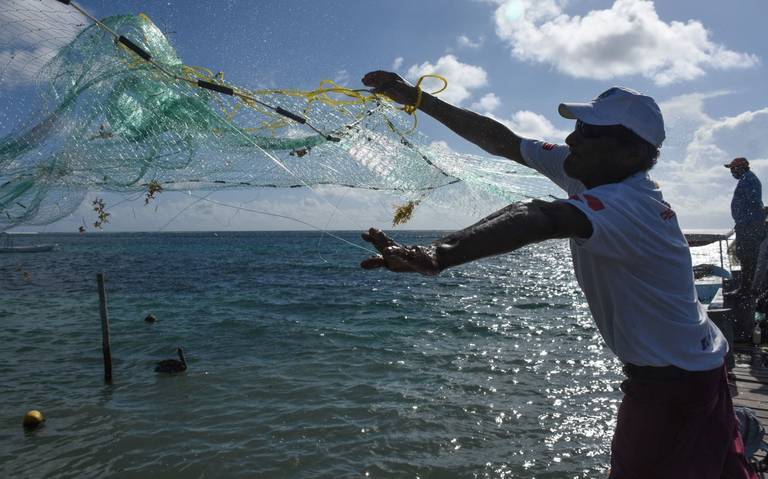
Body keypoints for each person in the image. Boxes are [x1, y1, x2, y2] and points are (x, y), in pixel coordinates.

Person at [359, 70, 755, 478]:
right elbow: (503, 141)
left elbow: (540, 216)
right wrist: (416, 98)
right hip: (705, 359)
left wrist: (436, 255)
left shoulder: (631, 206)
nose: (572, 140)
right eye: (578, 128)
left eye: (589, 133)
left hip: (673, 389)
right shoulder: (587, 169)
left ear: (632, 153)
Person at [725, 157, 765, 298]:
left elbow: (752, 204)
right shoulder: (747, 179)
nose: (731, 172)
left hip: (749, 227)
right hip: (747, 225)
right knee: (746, 257)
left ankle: (746, 290)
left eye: (732, 169)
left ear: (740, 168)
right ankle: (747, 288)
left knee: (748, 258)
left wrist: (745, 223)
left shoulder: (748, 180)